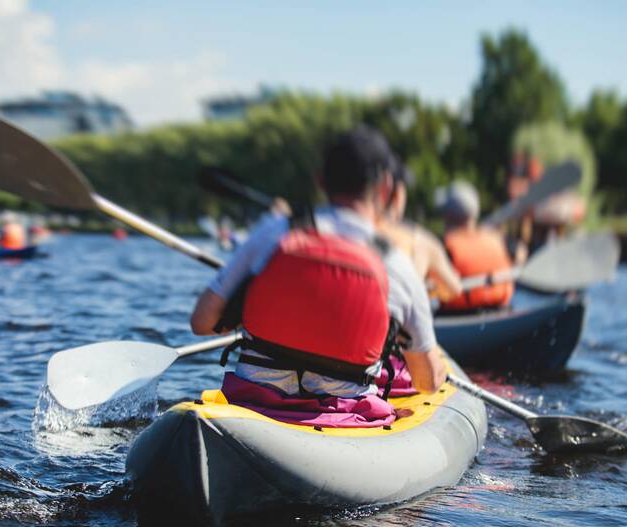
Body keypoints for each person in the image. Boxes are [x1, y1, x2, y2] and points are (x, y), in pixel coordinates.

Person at [190, 126, 445, 411]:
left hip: (253, 404)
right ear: (385, 187)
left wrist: (247, 309)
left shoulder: (273, 233)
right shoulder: (397, 265)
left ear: (320, 180)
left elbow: (201, 322)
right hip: (341, 418)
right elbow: (428, 382)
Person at [377, 157, 462, 303]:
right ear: (396, 194)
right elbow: (455, 288)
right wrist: (427, 288)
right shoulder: (421, 242)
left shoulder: (344, 232)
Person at [437, 181, 516, 312]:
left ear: (448, 216)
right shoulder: (498, 239)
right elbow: (519, 255)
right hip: (502, 310)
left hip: (459, 316)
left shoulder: (444, 247)